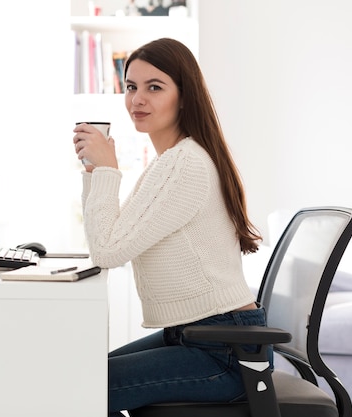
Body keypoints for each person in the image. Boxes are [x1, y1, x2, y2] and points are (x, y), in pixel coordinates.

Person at [72, 38, 267, 416]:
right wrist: (96, 172)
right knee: (78, 377)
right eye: (131, 87)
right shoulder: (171, 162)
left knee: (80, 389)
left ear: (184, 96)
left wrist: (108, 169)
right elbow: (110, 236)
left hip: (224, 352)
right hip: (200, 337)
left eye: (154, 87)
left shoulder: (185, 165)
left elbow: (107, 251)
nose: (137, 99)